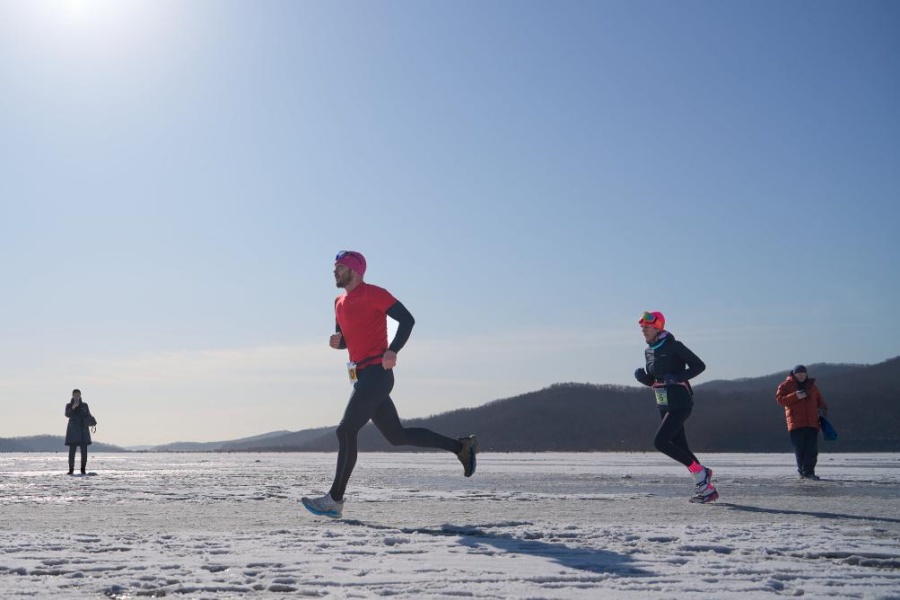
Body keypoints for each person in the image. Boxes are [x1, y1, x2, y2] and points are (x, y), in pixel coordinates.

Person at [301, 250, 478, 519]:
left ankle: (334, 499)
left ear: (355, 270)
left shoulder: (374, 293)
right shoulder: (338, 302)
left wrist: (393, 349)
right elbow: (348, 339)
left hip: (378, 372)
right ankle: (461, 447)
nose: (334, 271)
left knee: (345, 430)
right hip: (361, 376)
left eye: (339, 267)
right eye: (334, 267)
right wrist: (339, 343)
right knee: (397, 436)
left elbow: (407, 320)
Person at [633, 311, 717, 503]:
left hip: (680, 402)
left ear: (658, 327)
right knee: (681, 447)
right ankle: (707, 489)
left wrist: (677, 377)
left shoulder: (674, 346)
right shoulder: (648, 351)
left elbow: (699, 366)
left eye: (646, 327)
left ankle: (702, 472)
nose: (643, 330)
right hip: (662, 403)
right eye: (642, 327)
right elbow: (656, 380)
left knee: (660, 442)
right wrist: (644, 379)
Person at [775, 365, 828, 480]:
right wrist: (796, 396)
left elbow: (821, 401)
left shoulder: (813, 387)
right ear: (794, 374)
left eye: (803, 374)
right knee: (800, 449)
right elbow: (780, 400)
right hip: (796, 423)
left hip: (813, 423)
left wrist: (823, 410)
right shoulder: (785, 385)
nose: (802, 376)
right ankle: (802, 472)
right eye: (799, 374)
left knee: (812, 450)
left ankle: (810, 472)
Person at [64, 389, 94, 475]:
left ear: (80, 396)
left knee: (84, 451)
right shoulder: (69, 405)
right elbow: (67, 414)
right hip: (73, 431)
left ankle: (83, 469)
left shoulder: (84, 405)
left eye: (78, 395)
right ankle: (71, 469)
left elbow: (88, 414)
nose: (76, 396)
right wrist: (73, 407)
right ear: (72, 396)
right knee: (72, 451)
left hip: (83, 430)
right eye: (75, 395)